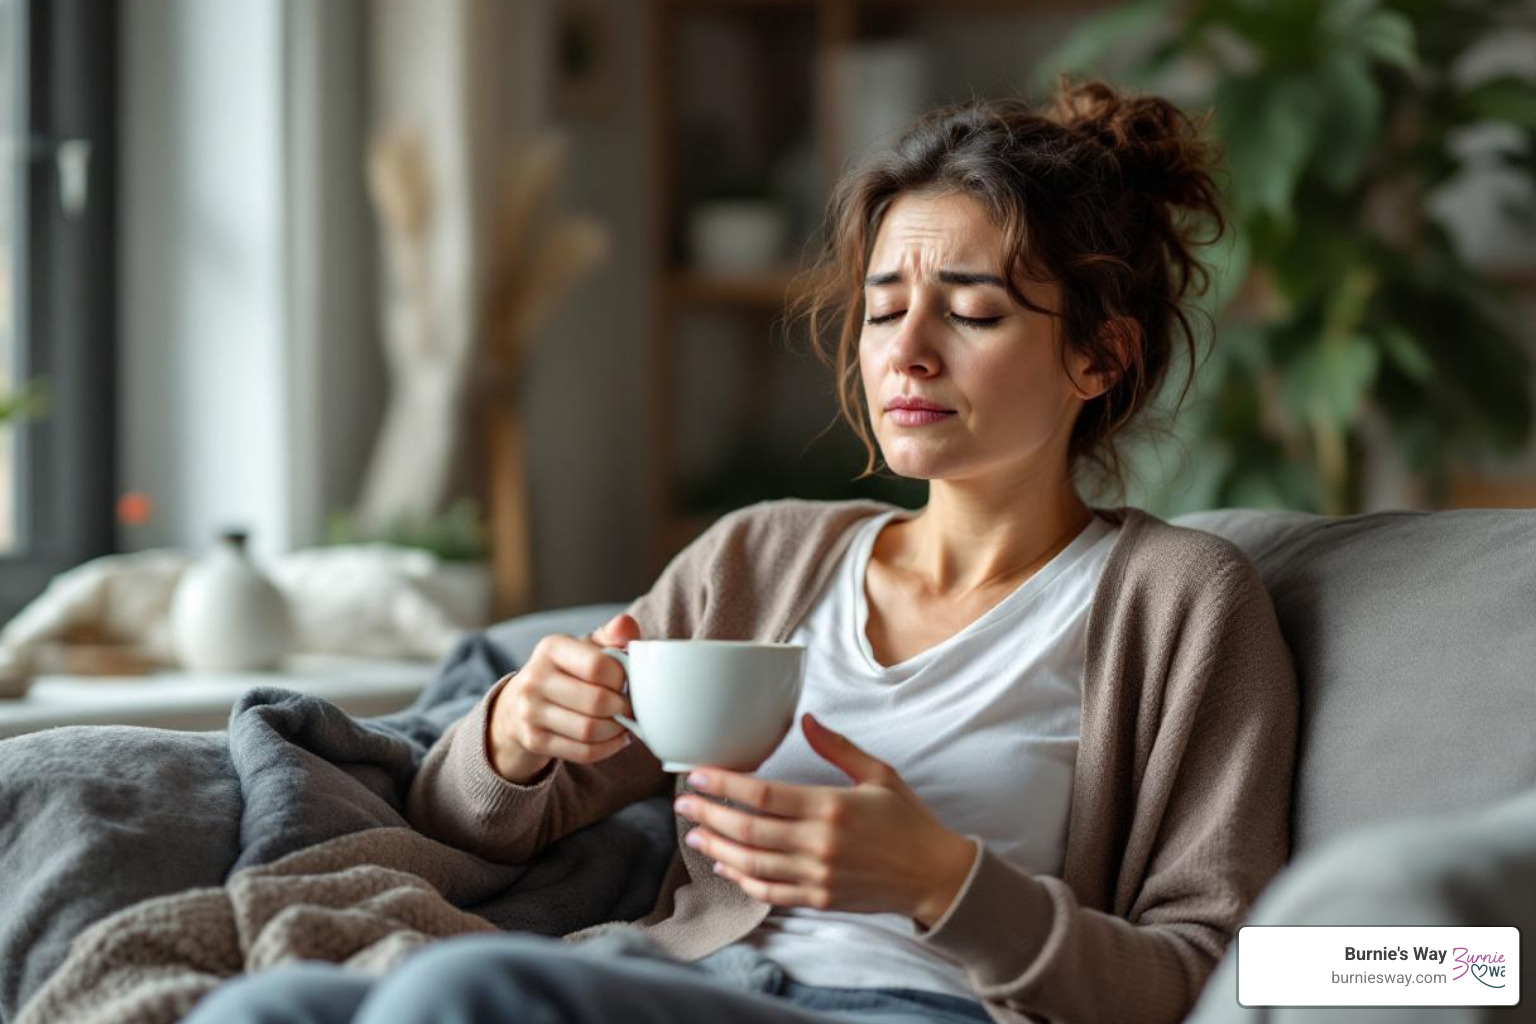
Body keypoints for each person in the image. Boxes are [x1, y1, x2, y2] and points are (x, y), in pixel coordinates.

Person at [189, 77, 1298, 1024]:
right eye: (881, 308)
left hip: (910, 1007)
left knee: (463, 999)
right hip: (686, 976)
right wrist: (516, 734)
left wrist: (945, 881)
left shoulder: (1182, 603)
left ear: (1098, 356)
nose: (905, 351)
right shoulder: (762, 557)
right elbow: (470, 816)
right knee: (265, 1003)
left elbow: (1211, 972)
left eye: (971, 311)